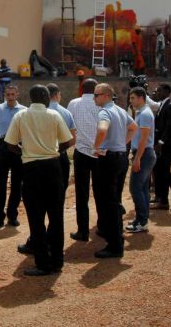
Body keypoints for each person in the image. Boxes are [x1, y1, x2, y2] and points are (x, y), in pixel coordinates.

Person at [4, 84, 73, 276]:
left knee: (36, 218)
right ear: (44, 97)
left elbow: (9, 144)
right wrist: (53, 152)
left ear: (31, 97)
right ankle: (57, 261)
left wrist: (25, 151)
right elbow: (67, 141)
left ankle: (43, 263)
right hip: (53, 167)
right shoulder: (54, 115)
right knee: (56, 216)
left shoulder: (21, 116)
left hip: (31, 169)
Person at [91, 82, 133, 259]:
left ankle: (115, 245)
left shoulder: (105, 111)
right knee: (113, 199)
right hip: (120, 157)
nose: (94, 98)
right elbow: (133, 128)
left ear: (107, 95)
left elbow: (102, 129)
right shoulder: (121, 111)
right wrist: (122, 143)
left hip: (109, 159)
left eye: (97, 95)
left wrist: (96, 146)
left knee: (108, 202)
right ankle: (115, 238)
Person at [0, 84, 26, 228]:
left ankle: (12, 215)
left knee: (17, 184)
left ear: (17, 94)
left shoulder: (24, 110)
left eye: (12, 94)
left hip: (17, 149)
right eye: (7, 95)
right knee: (1, 185)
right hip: (1, 150)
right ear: (4, 95)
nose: (10, 97)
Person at [67, 78, 99, 241]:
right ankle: (102, 226)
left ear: (81, 89)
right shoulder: (101, 104)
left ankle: (83, 231)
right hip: (100, 153)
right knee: (101, 192)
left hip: (81, 153)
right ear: (95, 90)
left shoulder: (73, 103)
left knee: (82, 193)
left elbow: (68, 125)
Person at [125, 87, 157, 233]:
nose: (131, 101)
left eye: (133, 98)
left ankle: (142, 221)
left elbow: (144, 138)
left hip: (144, 153)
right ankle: (141, 220)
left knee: (136, 188)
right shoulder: (141, 113)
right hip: (144, 153)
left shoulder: (144, 114)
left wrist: (137, 158)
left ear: (141, 98)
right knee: (142, 188)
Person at [47, 83, 75, 196]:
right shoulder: (66, 113)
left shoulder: (33, 112)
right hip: (60, 154)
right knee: (60, 188)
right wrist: (60, 150)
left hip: (40, 156)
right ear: (58, 95)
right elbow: (73, 139)